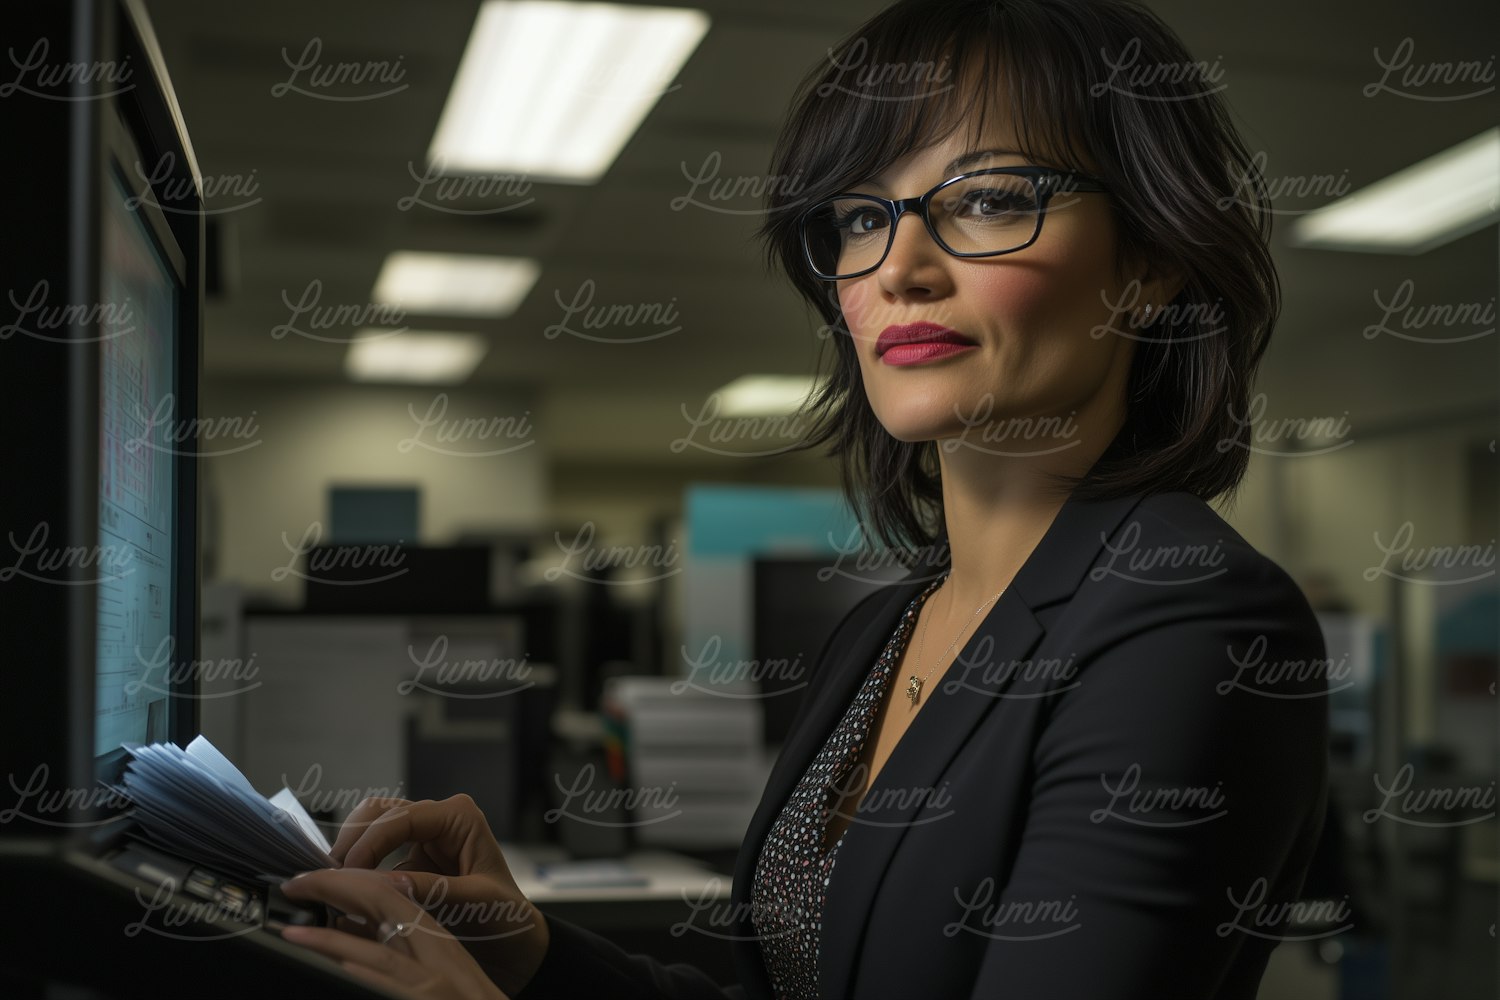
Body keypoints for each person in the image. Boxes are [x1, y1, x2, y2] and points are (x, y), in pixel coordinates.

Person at [277, 0, 1331, 997]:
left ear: (1149, 263)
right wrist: (532, 958)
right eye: (864, 215)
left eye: (991, 198)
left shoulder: (1189, 620)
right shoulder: (885, 626)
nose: (902, 265)